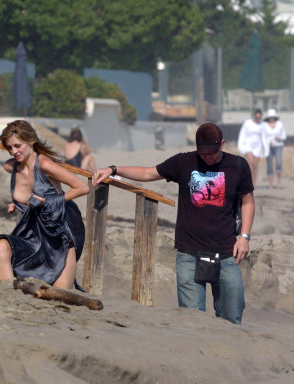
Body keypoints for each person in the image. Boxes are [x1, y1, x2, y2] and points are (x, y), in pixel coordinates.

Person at [92, 123, 255, 324]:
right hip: (189, 255)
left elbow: (247, 201)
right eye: (202, 154)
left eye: (212, 153)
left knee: (232, 319)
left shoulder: (238, 165)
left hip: (227, 254)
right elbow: (147, 173)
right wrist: (113, 169)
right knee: (192, 321)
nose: (207, 158)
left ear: (222, 144)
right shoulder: (184, 162)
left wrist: (244, 236)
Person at [0, 120, 89, 290]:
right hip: (30, 234)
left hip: (58, 236)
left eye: (17, 145)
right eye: (9, 148)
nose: (14, 152)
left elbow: (82, 187)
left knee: (58, 297)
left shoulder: (44, 165)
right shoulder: (12, 166)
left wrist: (51, 201)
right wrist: (16, 204)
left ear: (30, 141)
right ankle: (7, 294)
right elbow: (26, 193)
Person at [237, 108, 269, 186]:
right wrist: (240, 146)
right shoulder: (247, 123)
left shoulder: (262, 125)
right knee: (250, 164)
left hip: (258, 147)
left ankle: (253, 183)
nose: (257, 119)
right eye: (256, 117)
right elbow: (242, 134)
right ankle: (248, 182)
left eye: (259, 117)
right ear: (254, 116)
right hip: (248, 146)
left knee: (255, 165)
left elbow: (264, 137)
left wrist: (266, 149)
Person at [263, 109, 287, 189]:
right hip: (268, 147)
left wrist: (279, 138)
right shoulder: (265, 125)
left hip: (278, 146)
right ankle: (270, 184)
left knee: (278, 163)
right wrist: (266, 143)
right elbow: (263, 137)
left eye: (273, 117)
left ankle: (279, 182)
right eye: (270, 117)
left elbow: (284, 135)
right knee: (269, 165)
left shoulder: (280, 124)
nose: (271, 118)